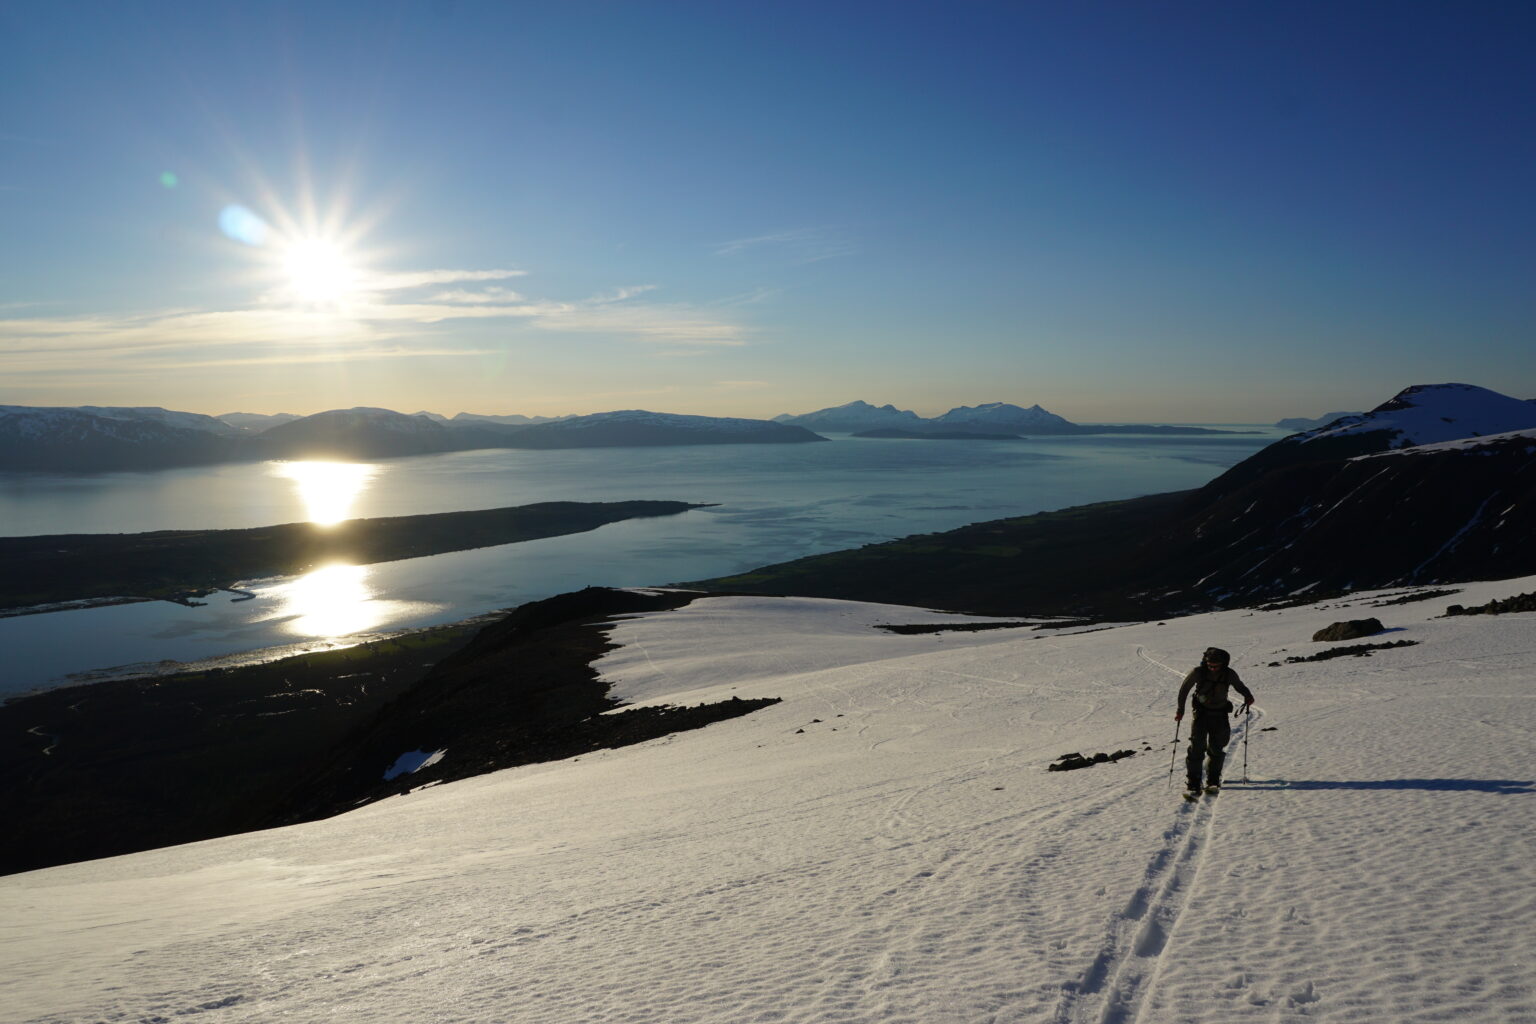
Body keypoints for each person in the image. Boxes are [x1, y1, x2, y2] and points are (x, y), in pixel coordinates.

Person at [1175, 646, 1254, 794]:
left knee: (1217, 748)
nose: (1212, 668)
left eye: (1216, 666)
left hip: (1220, 714)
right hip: (1201, 714)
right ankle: (1193, 780)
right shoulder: (1198, 672)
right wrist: (1180, 710)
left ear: (1223, 664)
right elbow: (1184, 689)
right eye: (1210, 665)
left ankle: (1213, 779)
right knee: (1197, 747)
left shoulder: (1229, 674)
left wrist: (1248, 695)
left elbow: (1239, 686)